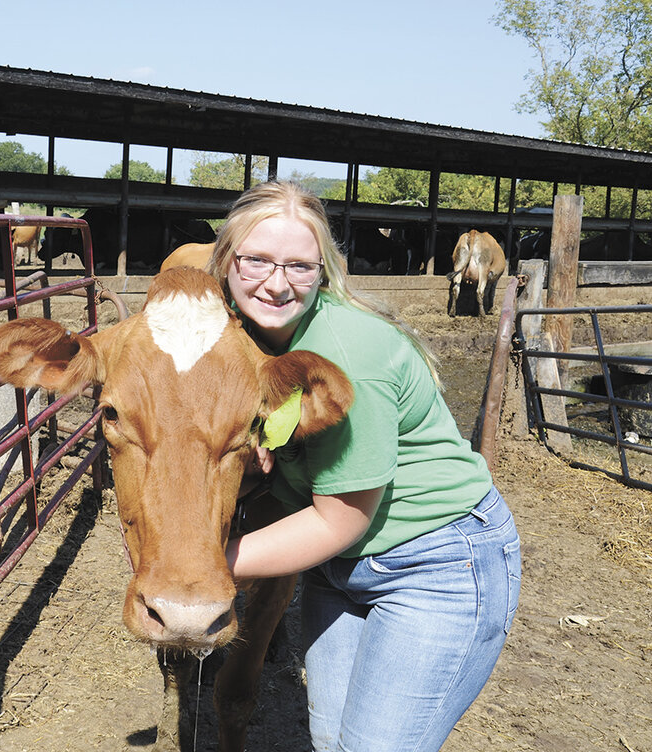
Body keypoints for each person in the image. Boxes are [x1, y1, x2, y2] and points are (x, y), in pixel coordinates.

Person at [207, 181, 521, 752]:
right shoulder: (245, 339)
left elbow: (339, 520)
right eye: (256, 260)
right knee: (331, 740)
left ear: (323, 271)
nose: (277, 283)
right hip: (339, 569)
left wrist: (201, 565)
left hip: (435, 564)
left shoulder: (345, 355)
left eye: (299, 266)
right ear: (226, 261)